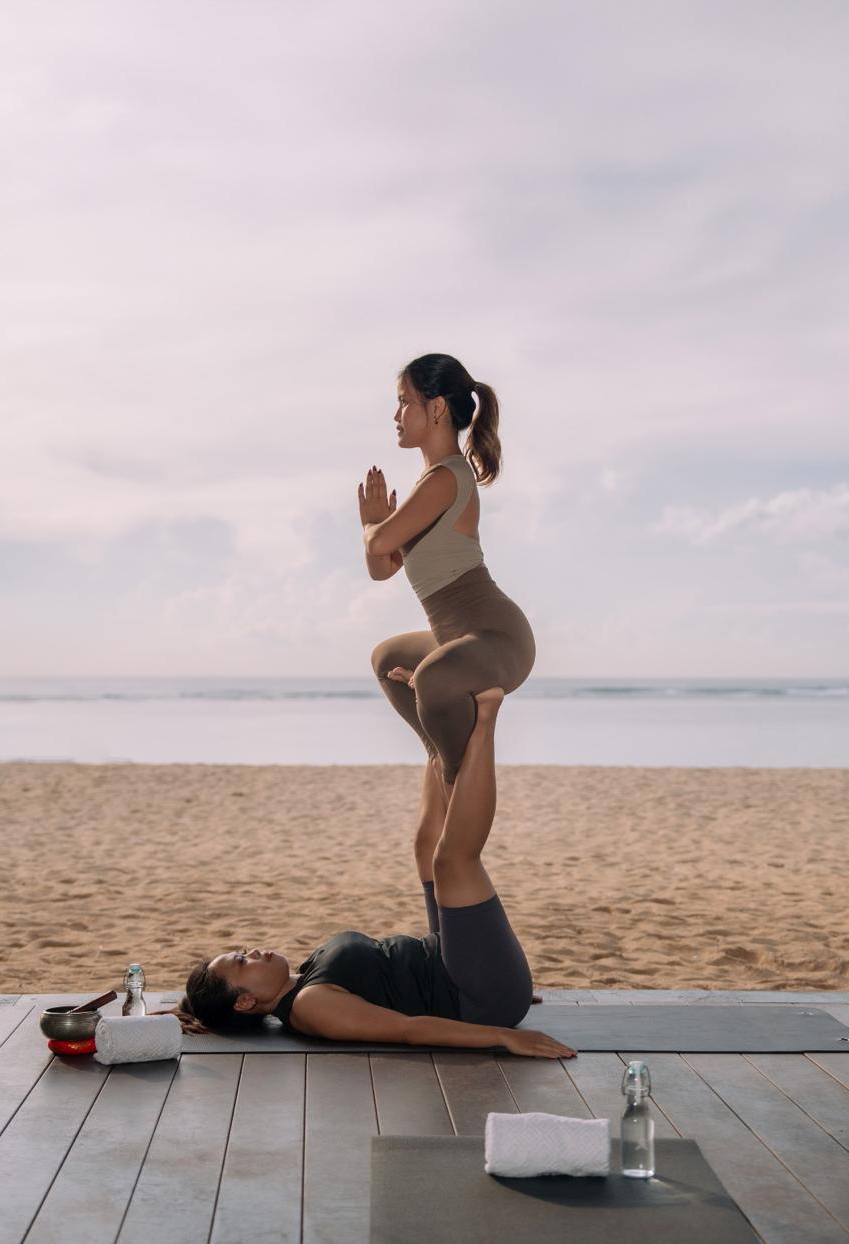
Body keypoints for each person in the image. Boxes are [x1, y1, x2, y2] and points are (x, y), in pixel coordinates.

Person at [156, 687, 575, 1059]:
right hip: (475, 995)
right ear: (245, 1003)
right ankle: (485, 719)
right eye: (242, 963)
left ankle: (433, 743)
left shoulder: (303, 978)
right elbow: (410, 1031)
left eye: (243, 950)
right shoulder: (310, 1008)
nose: (256, 952)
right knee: (453, 862)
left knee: (426, 852)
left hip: (463, 966)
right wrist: (503, 1035)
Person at [359, 353, 536, 810]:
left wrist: (372, 526)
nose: (396, 416)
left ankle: (459, 774)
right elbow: (382, 568)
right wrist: (377, 528)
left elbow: (379, 545)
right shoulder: (427, 485)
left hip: (496, 638)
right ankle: (442, 752)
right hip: (454, 638)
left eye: (404, 403)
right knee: (388, 658)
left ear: (436, 409)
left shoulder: (447, 477)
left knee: (434, 676)